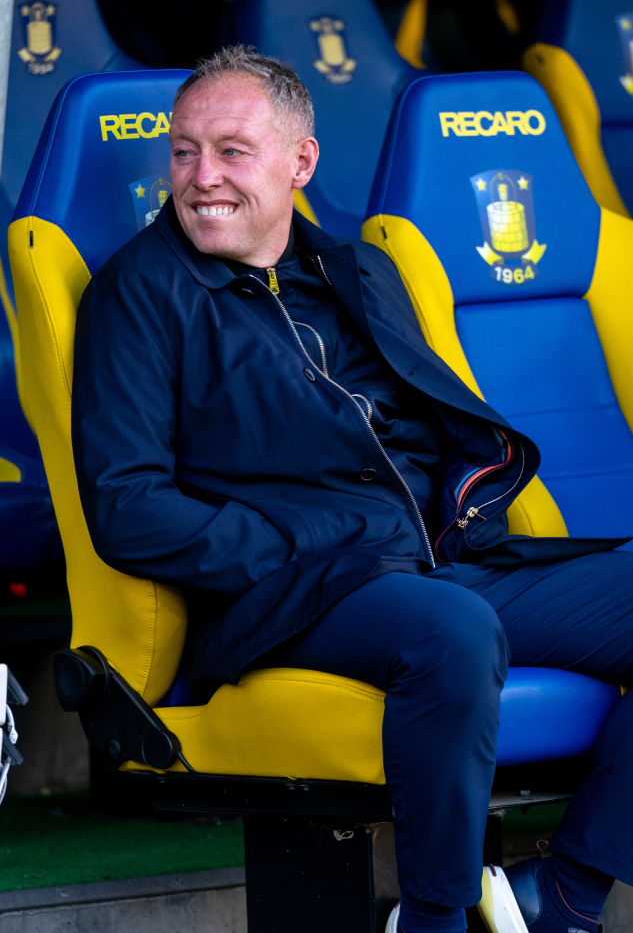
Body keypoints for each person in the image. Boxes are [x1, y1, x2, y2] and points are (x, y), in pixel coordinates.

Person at [71, 45, 633, 933]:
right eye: (183, 152)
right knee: (450, 629)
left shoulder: (355, 272)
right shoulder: (136, 296)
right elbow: (127, 507)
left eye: (231, 151)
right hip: (286, 593)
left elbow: (436, 432)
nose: (201, 178)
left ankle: (564, 895)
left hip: (435, 563)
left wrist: (463, 512)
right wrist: (307, 549)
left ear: (301, 162)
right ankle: (436, 917)